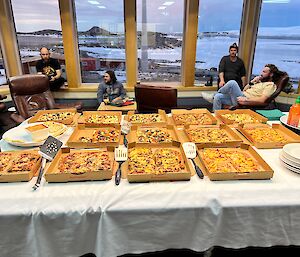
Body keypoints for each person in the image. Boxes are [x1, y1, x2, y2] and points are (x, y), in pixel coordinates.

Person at [213, 64, 284, 111]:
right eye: (262, 71)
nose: (261, 73)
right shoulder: (260, 82)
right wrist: (252, 82)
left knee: (232, 83)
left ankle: (215, 94)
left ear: (271, 74)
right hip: (241, 96)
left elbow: (262, 100)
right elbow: (244, 89)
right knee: (218, 97)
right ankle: (216, 118)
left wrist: (246, 100)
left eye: (264, 72)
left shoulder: (270, 85)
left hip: (243, 101)